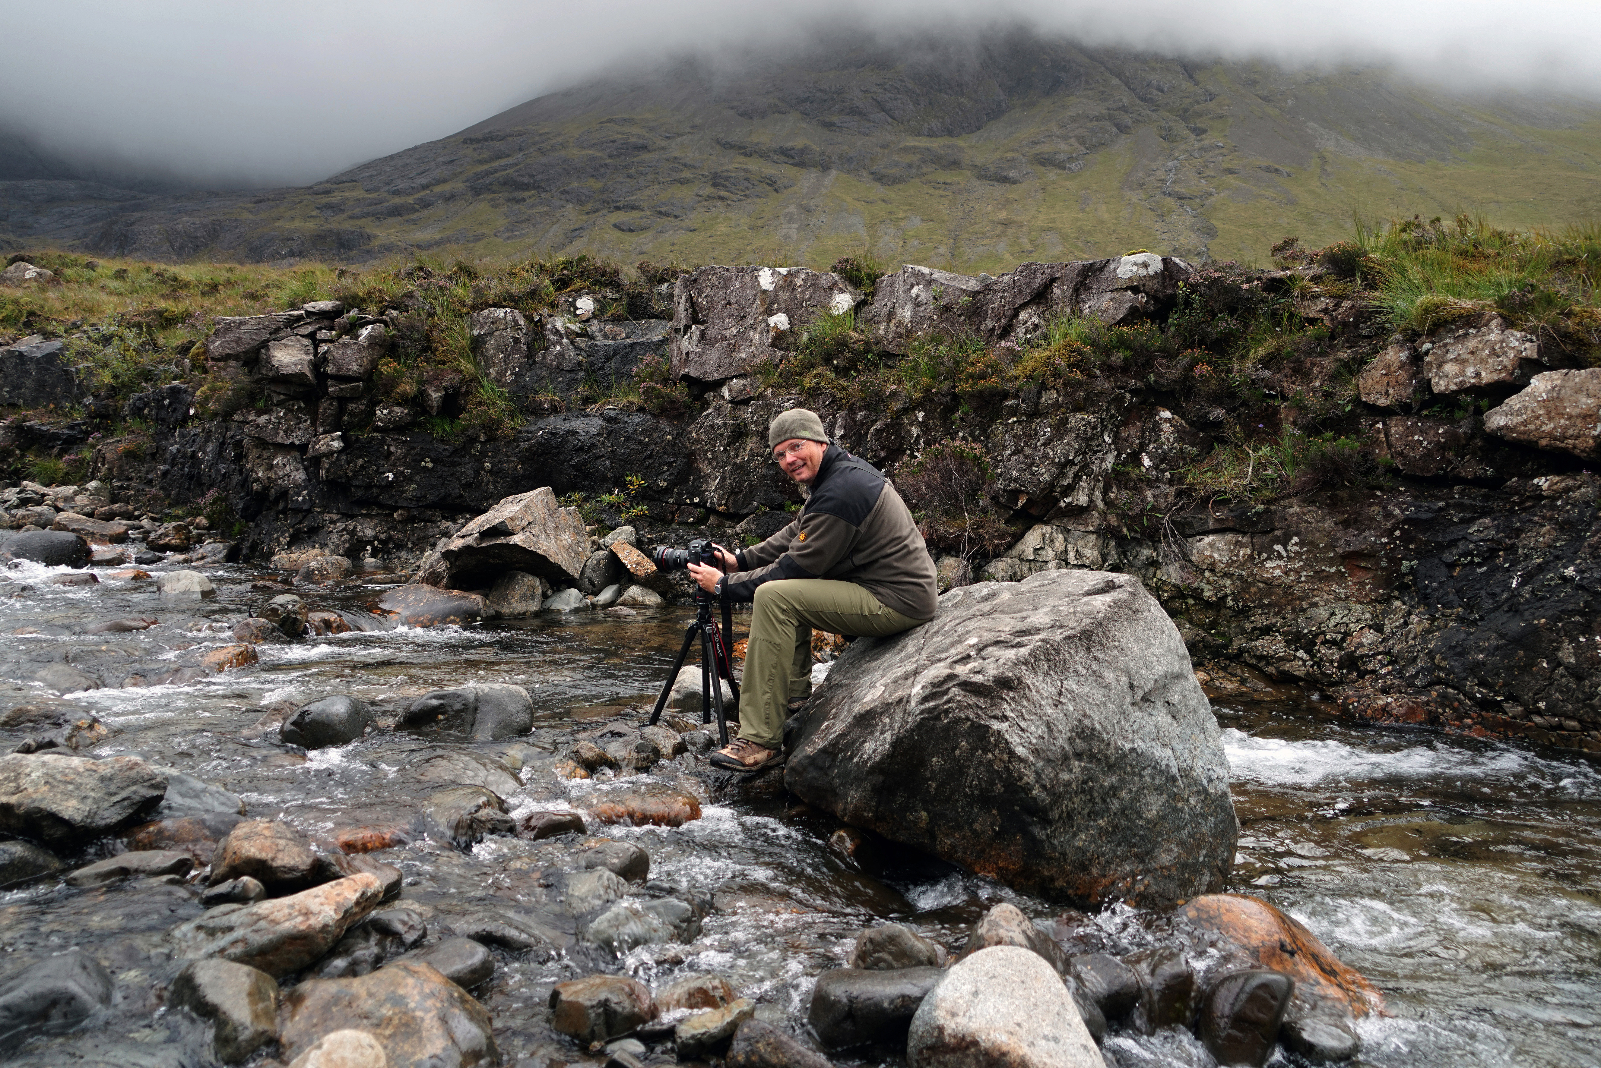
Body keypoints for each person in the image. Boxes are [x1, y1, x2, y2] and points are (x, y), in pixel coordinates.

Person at [686, 408, 939, 772]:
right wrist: (739, 560)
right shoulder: (837, 474)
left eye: (796, 447)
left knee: (776, 596)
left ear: (820, 441)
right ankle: (792, 697)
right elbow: (796, 533)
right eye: (780, 455)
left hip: (898, 600)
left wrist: (723, 586)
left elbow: (794, 567)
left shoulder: (843, 490)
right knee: (787, 591)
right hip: (888, 587)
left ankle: (760, 740)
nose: (789, 460)